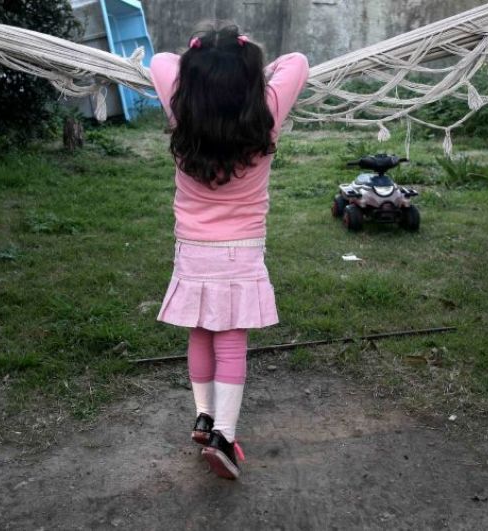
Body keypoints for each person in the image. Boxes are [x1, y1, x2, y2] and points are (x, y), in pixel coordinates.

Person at [150, 22, 309, 480]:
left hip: (193, 249)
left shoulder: (183, 109)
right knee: (233, 339)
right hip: (241, 251)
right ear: (250, 78)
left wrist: (195, 69)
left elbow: (160, 61)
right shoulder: (266, 109)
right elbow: (297, 62)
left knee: (200, 331)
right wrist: (261, 72)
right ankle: (224, 433)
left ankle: (203, 418)